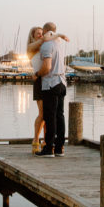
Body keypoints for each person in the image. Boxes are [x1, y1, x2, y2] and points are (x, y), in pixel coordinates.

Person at [27, 25, 68, 154]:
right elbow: (46, 39)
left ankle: (49, 144)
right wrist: (58, 35)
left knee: (52, 115)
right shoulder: (32, 47)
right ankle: (37, 140)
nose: (40, 35)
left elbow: (47, 65)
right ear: (32, 36)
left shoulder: (47, 46)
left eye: (41, 33)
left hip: (48, 79)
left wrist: (58, 35)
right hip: (40, 80)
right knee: (44, 114)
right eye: (37, 33)